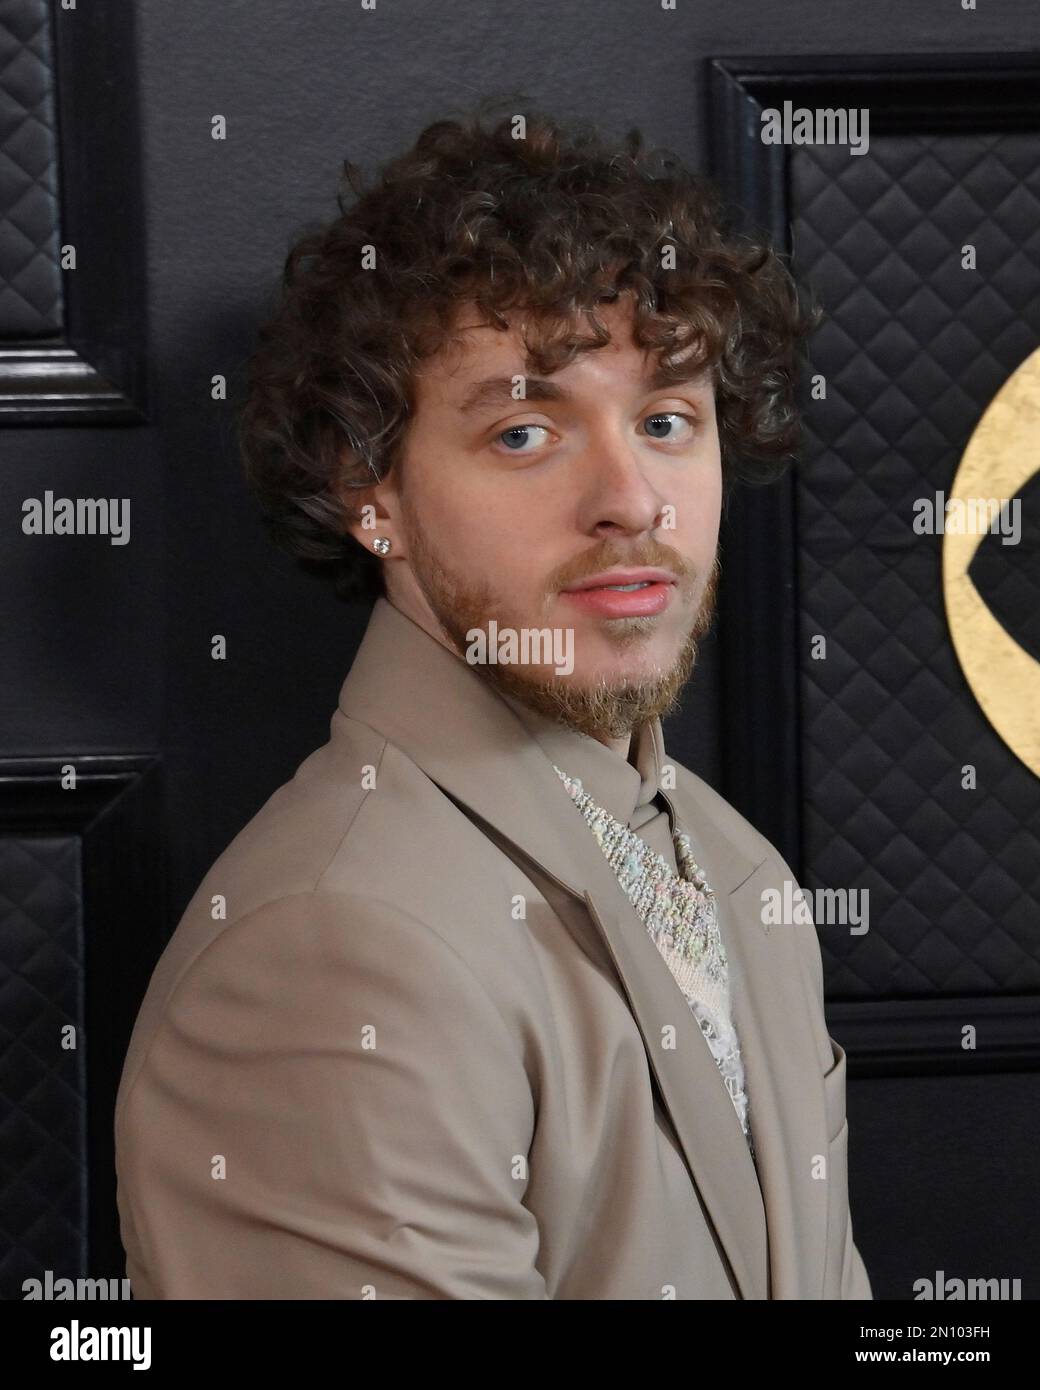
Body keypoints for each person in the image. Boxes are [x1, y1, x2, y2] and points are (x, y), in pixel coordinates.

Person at [114, 98, 872, 1300]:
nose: (631, 498)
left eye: (668, 419)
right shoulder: (333, 953)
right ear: (372, 496)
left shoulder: (740, 874)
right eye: (525, 432)